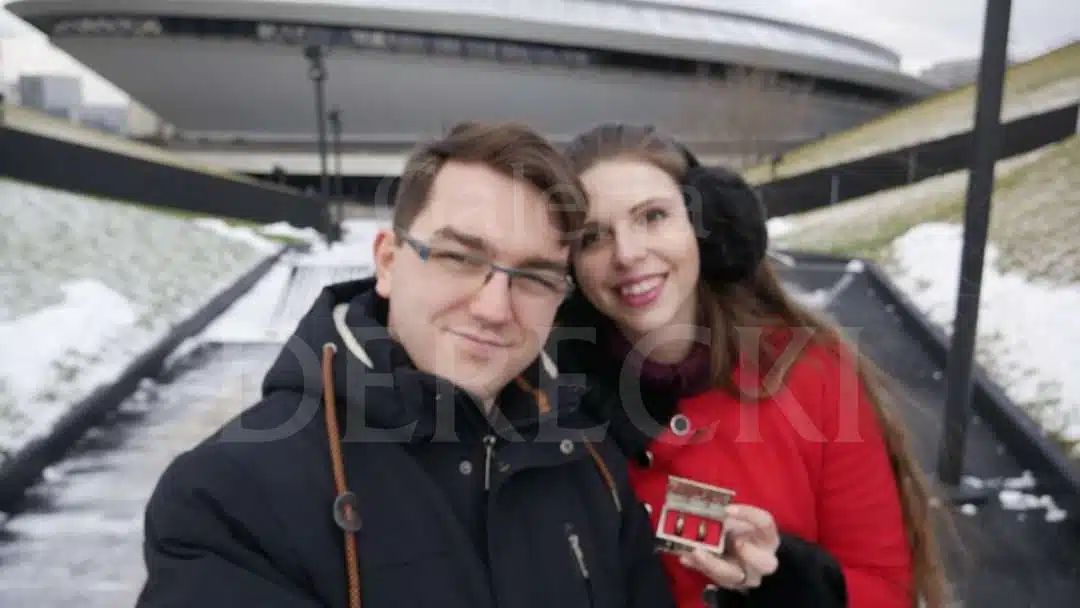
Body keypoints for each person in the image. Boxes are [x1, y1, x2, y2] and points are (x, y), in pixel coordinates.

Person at [135, 122, 676, 608]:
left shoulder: (589, 462)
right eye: (460, 258)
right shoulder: (230, 496)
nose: (493, 309)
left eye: (534, 277)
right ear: (389, 263)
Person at [551, 123, 947, 608]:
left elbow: (886, 591)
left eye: (652, 216)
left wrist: (785, 581)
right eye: (593, 237)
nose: (627, 254)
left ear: (708, 226)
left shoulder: (812, 374)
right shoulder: (546, 405)